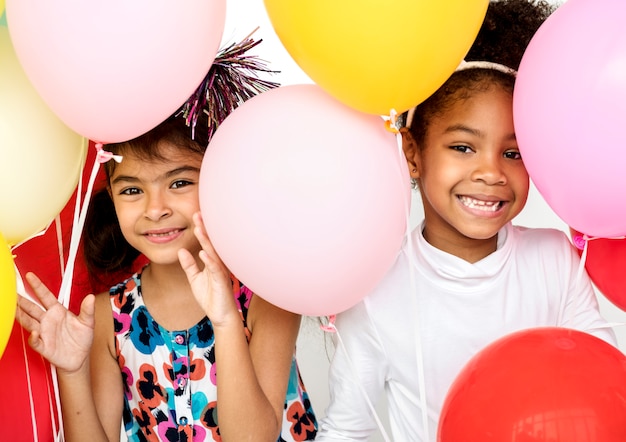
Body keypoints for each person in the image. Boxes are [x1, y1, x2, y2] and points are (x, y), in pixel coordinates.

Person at [316, 1, 618, 440]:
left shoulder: (554, 258)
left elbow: (603, 381)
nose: (491, 172)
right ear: (412, 154)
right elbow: (345, 430)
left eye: (512, 153)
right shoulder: (375, 289)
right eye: (462, 147)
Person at [16, 37, 318, 442]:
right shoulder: (110, 315)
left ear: (218, 177)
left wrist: (226, 321)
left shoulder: (265, 292)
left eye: (178, 182)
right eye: (131, 190)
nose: (154, 209)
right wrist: (72, 370)